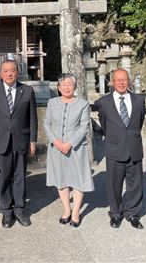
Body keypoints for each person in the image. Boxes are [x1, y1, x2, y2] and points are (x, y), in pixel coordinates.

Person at [0, 59, 38, 228]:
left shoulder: (27, 91)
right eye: (5, 71)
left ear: (17, 72)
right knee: (4, 176)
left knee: (19, 176)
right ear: (0, 74)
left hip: (21, 140)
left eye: (12, 70)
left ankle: (20, 209)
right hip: (1, 141)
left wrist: (32, 140)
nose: (9, 73)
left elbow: (32, 118)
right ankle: (6, 211)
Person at [95, 68, 146, 229]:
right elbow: (104, 125)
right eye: (118, 80)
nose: (121, 82)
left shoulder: (139, 100)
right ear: (112, 82)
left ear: (129, 81)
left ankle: (132, 213)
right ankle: (116, 213)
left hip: (134, 147)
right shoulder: (103, 103)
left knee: (135, 184)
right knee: (113, 184)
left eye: (124, 79)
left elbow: (139, 122)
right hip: (114, 149)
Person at [44, 74, 94, 228]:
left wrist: (70, 143)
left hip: (76, 149)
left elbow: (84, 125)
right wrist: (56, 142)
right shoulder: (52, 103)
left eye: (69, 84)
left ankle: (76, 211)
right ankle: (67, 209)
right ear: (58, 88)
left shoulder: (83, 104)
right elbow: (46, 123)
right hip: (56, 148)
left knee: (78, 179)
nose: (66, 87)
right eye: (63, 84)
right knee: (61, 178)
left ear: (75, 87)